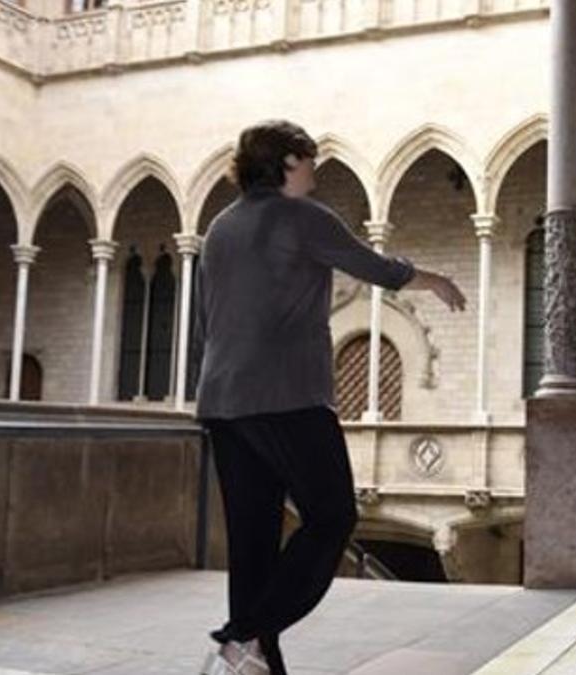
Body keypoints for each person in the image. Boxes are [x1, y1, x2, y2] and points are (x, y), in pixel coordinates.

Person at [193, 120, 466, 675]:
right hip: (288, 396)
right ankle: (241, 634)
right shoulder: (301, 216)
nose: (315, 171)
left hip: (223, 401)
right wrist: (432, 279)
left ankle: (253, 661)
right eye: (309, 160)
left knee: (253, 539)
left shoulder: (219, 227)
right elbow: (376, 268)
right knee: (332, 515)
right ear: (289, 163)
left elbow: (207, 320)